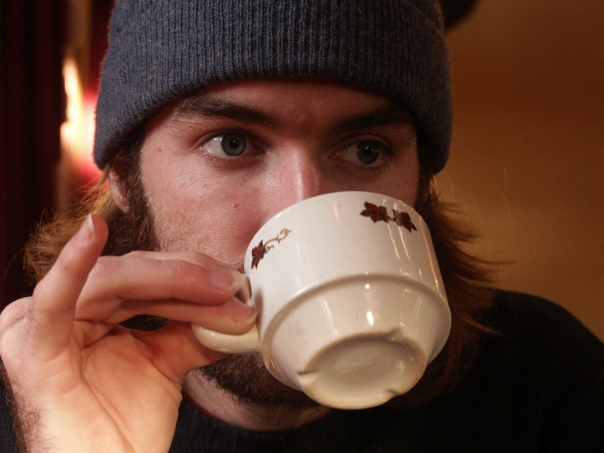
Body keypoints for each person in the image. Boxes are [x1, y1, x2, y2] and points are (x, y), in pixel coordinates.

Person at [1, 0, 603, 451]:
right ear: (124, 175)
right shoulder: (31, 409)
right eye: (232, 143)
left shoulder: (545, 384)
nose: (301, 205)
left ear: (421, 182)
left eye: (366, 150)